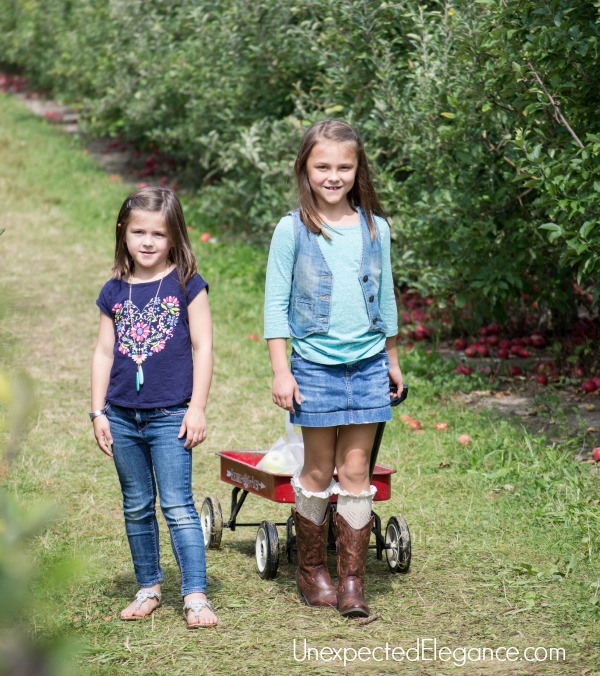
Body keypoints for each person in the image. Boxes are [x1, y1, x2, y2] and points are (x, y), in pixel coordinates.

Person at [264, 120, 402, 618]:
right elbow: (275, 306)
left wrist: (390, 358)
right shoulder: (292, 228)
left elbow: (384, 298)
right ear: (305, 167)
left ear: (358, 169)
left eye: (344, 166)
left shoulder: (374, 227)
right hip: (315, 368)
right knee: (319, 470)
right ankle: (311, 571)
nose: (333, 175)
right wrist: (283, 370)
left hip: (366, 365)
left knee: (356, 470)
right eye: (323, 166)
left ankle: (350, 580)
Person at [90, 186, 218, 628]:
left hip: (170, 415)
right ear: (123, 232)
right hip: (122, 416)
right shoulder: (113, 291)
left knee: (177, 505)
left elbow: (203, 348)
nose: (147, 242)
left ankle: (196, 595)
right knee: (137, 504)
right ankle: (148, 587)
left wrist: (196, 408)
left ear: (174, 237)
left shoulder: (185, 285)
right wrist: (98, 411)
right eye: (138, 231)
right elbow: (104, 354)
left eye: (158, 234)